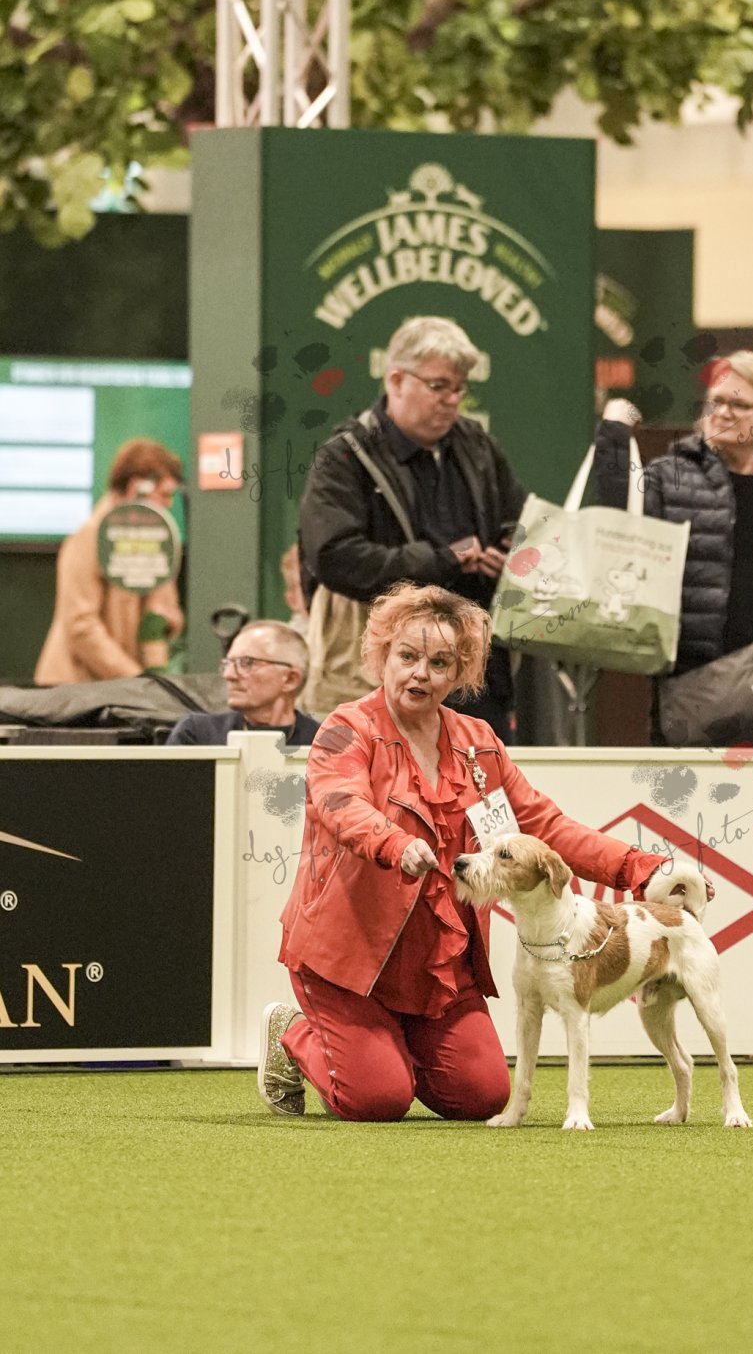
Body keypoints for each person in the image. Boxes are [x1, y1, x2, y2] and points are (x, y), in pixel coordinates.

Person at [257, 582, 678, 1122]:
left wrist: (641, 868)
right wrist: (394, 842)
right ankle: (295, 1032)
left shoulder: (479, 743)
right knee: (376, 1100)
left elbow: (545, 827)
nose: (420, 674)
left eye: (439, 663)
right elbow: (341, 805)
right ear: (382, 655)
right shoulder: (346, 728)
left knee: (481, 1096)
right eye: (407, 657)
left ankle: (384, 1047)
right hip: (348, 956)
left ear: (460, 672)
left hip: (437, 964)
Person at [298, 315, 525, 739]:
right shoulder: (345, 457)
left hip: (472, 673)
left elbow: (519, 522)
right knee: (386, 778)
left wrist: (507, 555)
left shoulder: (478, 446)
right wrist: (442, 560)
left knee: (478, 778)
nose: (451, 400)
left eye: (459, 388)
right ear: (396, 380)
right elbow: (334, 556)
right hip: (377, 673)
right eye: (439, 386)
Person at [596, 352, 753, 747]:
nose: (723, 413)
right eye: (716, 401)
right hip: (696, 694)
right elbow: (622, 521)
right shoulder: (672, 476)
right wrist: (614, 437)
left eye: (739, 405)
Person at [35, 439, 185, 685]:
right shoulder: (89, 537)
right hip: (74, 687)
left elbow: (162, 613)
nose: (169, 503)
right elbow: (81, 626)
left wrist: (156, 676)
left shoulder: (158, 539)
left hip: (126, 688)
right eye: (164, 494)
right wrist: (135, 679)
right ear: (137, 487)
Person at [167, 620, 319, 745]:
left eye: (247, 663)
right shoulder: (198, 735)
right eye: (228, 663)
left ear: (291, 679)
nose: (228, 675)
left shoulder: (324, 744)